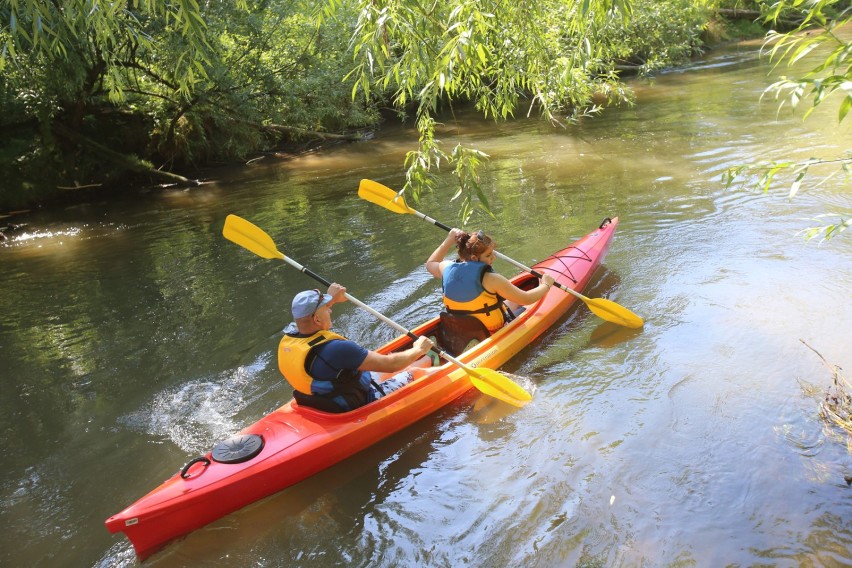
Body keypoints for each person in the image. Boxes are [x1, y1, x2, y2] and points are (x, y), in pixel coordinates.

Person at [278, 283, 433, 412]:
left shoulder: (290, 340)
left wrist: (331, 299)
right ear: (317, 319)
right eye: (327, 308)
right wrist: (419, 349)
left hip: (321, 399)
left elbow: (314, 318)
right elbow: (391, 365)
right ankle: (430, 359)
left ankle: (424, 358)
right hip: (359, 401)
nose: (330, 310)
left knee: (385, 362)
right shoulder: (337, 349)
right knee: (412, 371)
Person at [425, 229, 555, 353]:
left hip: (459, 330)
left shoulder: (446, 268)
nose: (493, 257)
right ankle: (477, 342)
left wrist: (449, 239)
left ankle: (463, 343)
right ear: (475, 258)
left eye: (492, 253)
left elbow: (430, 263)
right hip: (490, 331)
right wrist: (546, 285)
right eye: (488, 255)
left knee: (509, 302)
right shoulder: (492, 279)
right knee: (524, 308)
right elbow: (527, 299)